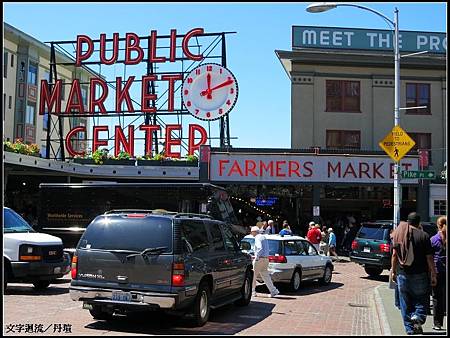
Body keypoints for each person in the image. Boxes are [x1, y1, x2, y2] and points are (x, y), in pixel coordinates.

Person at [391, 212, 438, 335]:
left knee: (405, 302)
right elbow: (429, 258)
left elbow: (394, 255)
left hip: (402, 274)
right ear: (419, 223)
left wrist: (393, 271)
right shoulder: (424, 236)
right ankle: (417, 316)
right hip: (420, 274)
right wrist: (433, 273)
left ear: (408, 221)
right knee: (421, 299)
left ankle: (409, 329)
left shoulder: (399, 234)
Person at [250, 226, 280, 298]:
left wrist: (256, 257)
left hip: (260, 259)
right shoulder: (263, 237)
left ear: (254, 232)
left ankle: (252, 292)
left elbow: (259, 248)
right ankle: (273, 291)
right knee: (265, 275)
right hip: (266, 259)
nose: (251, 233)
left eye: (252, 232)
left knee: (253, 276)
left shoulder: (257, 237)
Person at [430, 216, 446, 331]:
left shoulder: (434, 239)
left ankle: (438, 323)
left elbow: (429, 257)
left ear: (438, 225)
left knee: (437, 297)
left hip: (437, 270)